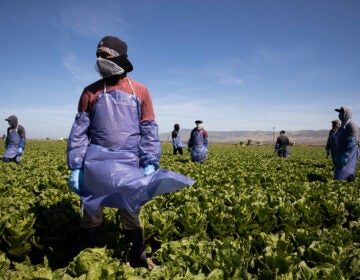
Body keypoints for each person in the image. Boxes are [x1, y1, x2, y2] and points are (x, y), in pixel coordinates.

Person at [66, 36, 194, 269]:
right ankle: (88, 258)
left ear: (119, 56)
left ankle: (137, 256)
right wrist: (76, 166)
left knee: (131, 211)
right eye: (97, 55)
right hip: (96, 163)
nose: (99, 60)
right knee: (91, 211)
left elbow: (148, 130)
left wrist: (149, 161)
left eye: (104, 55)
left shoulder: (141, 91)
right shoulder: (90, 92)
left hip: (129, 163)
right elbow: (79, 132)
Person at [333, 106, 359, 182]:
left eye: (341, 112)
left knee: (343, 172)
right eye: (339, 113)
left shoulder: (351, 125)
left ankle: (347, 183)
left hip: (350, 153)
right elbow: (337, 139)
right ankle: (349, 181)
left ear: (347, 113)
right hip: (341, 152)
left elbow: (352, 141)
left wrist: (346, 155)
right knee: (342, 171)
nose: (340, 114)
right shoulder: (342, 126)